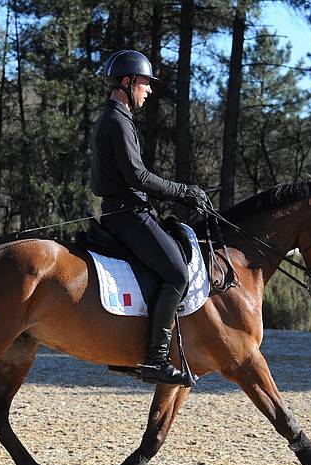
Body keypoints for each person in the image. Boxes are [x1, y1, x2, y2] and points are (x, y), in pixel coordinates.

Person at [90, 49, 208, 387]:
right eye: (145, 83)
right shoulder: (117, 120)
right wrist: (183, 191)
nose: (150, 90)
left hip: (125, 210)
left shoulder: (117, 118)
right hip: (128, 214)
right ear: (127, 82)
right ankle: (156, 359)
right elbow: (138, 177)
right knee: (177, 274)